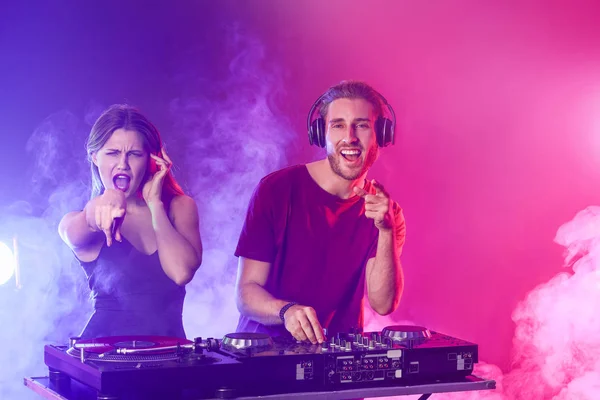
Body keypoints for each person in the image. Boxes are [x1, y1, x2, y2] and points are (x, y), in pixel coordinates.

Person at [234, 80, 406, 344]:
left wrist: (386, 231)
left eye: (361, 125)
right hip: (263, 358)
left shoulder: (387, 214)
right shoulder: (276, 190)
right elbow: (246, 293)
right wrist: (286, 311)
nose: (349, 136)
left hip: (334, 360)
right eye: (338, 125)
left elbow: (383, 304)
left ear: (381, 135)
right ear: (320, 134)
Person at [58, 104, 202, 339]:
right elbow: (82, 225)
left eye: (134, 154)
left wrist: (155, 204)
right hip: (103, 361)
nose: (123, 164)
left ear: (151, 160)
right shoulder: (79, 219)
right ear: (95, 157)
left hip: (170, 358)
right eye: (112, 153)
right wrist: (107, 199)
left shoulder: (180, 207)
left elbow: (181, 273)